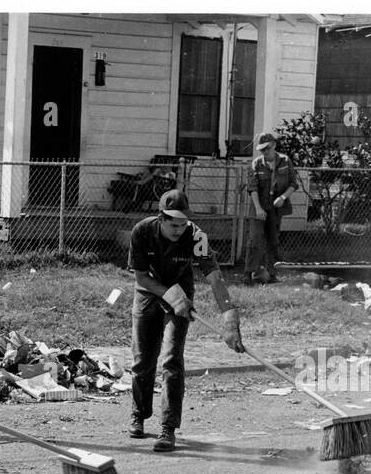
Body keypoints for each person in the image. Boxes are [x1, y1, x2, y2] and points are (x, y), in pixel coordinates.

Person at [127, 189, 246, 452]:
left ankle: (168, 428)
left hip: (181, 297)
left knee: (172, 359)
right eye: (173, 224)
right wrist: (167, 293)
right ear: (161, 218)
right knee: (143, 359)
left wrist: (228, 317)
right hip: (148, 293)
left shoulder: (196, 235)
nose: (179, 229)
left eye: (183, 224)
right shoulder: (142, 231)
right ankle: (139, 414)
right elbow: (141, 277)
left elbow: (214, 276)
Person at [243, 131, 296, 284]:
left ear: (274, 146)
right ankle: (249, 273)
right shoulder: (256, 164)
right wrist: (258, 209)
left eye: (267, 148)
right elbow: (252, 188)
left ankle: (271, 274)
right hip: (258, 206)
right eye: (262, 150)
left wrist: (283, 197)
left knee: (273, 240)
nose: (265, 152)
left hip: (276, 207)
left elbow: (293, 183)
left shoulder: (285, 161)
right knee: (255, 239)